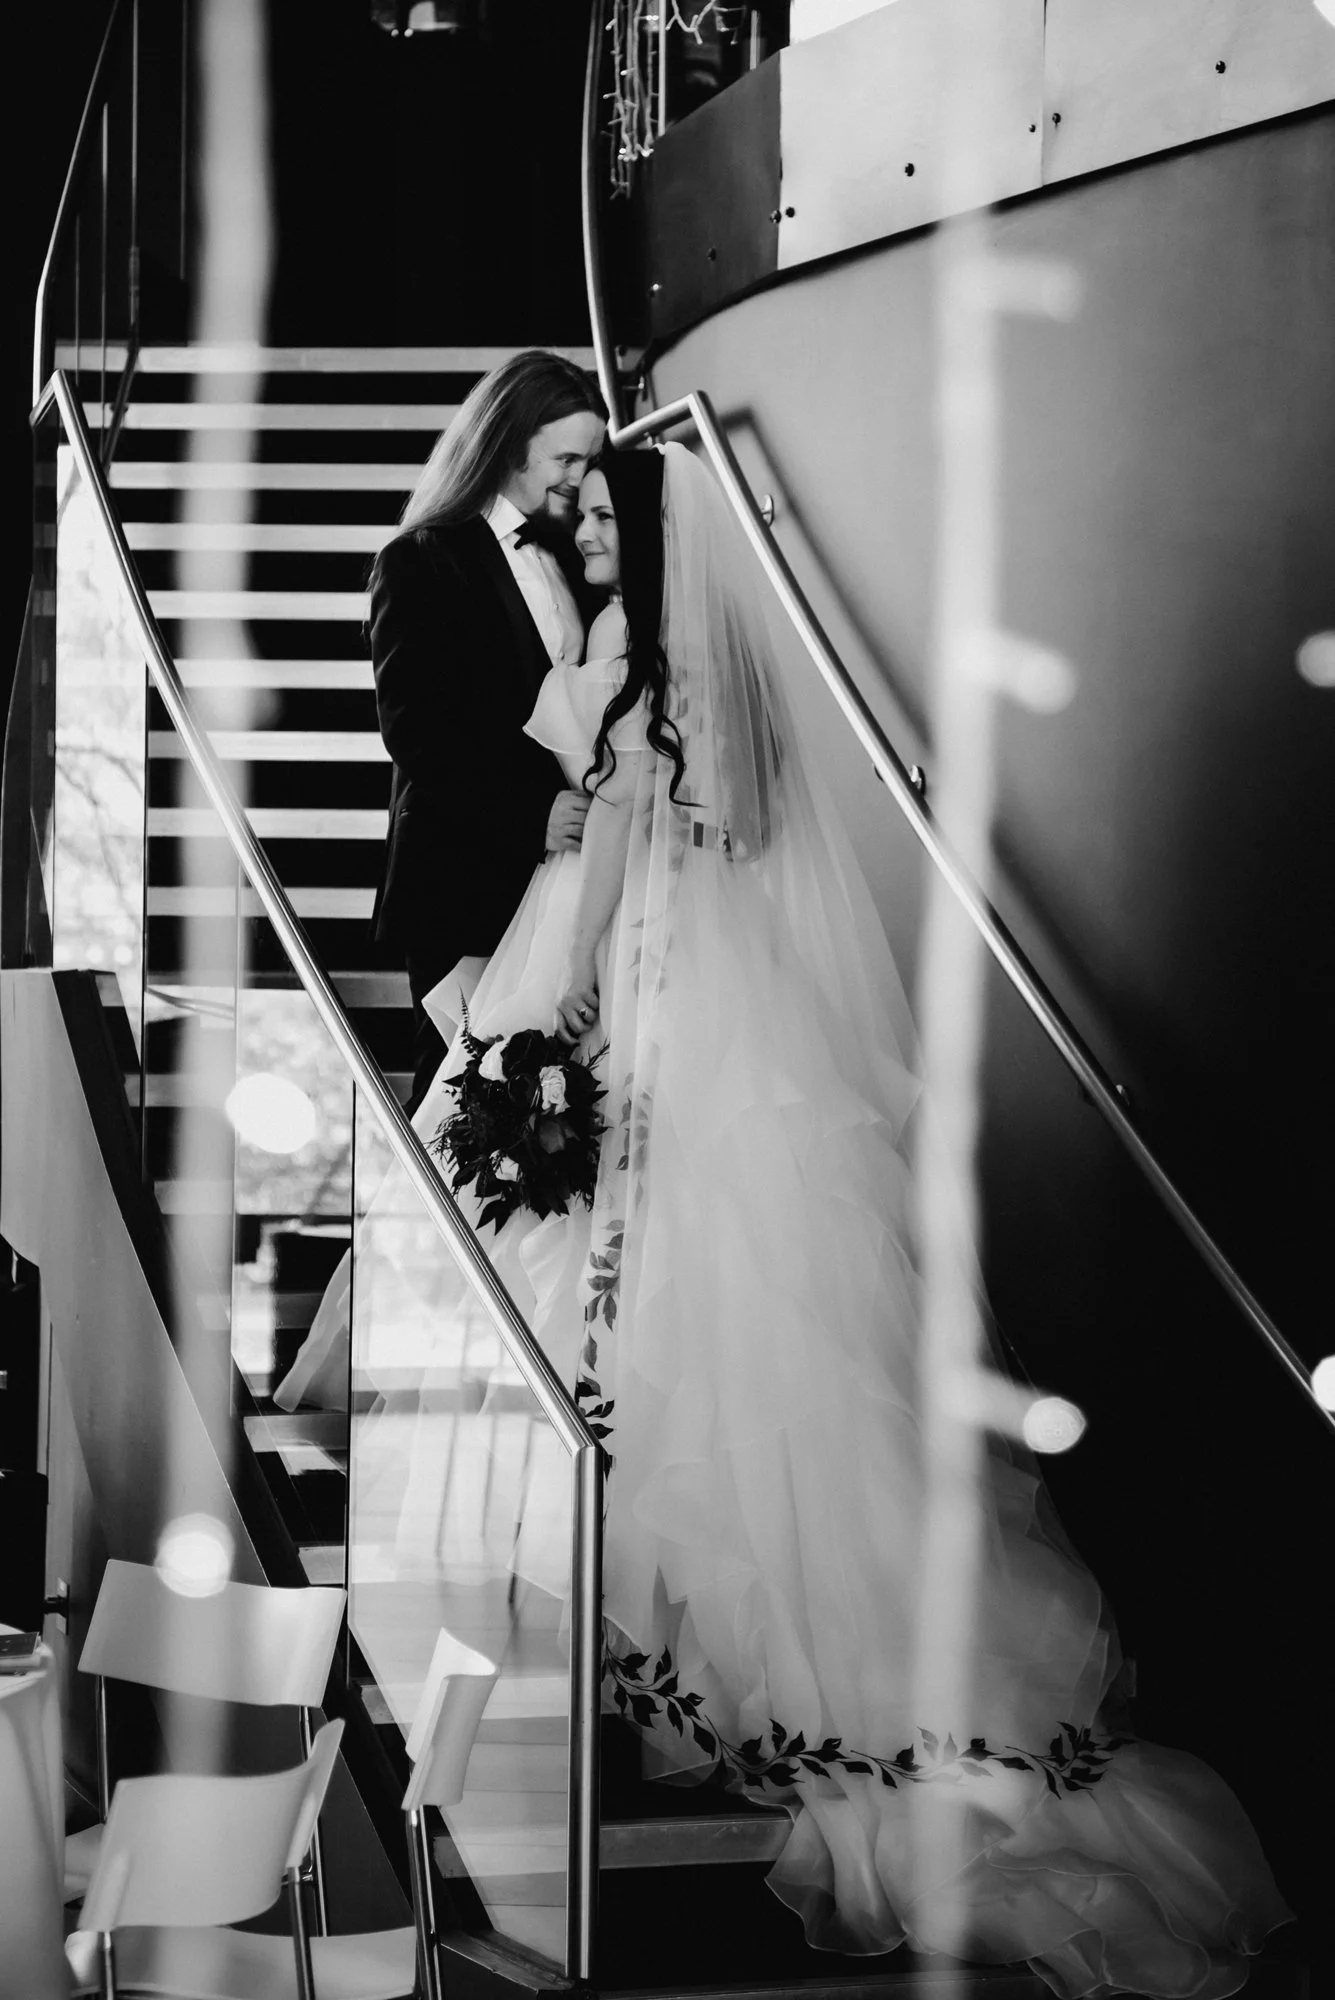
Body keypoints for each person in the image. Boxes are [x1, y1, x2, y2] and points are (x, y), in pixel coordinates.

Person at [295, 442, 1290, 1996]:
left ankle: (590, 1697)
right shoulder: (734, 707)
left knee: (632, 1365)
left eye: (586, 529)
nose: (574, 551)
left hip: (642, 1039)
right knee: (778, 1370)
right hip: (748, 1060)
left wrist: (501, 1029)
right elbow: (731, 864)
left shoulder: (627, 715)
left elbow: (592, 929)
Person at [368, 349, 606, 1111]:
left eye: (589, 458)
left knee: (554, 1109)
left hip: (563, 882)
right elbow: (417, 732)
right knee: (460, 1106)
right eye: (565, 456)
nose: (579, 475)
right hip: (464, 878)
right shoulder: (419, 561)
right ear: (508, 444)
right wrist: (532, 813)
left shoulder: (573, 554)